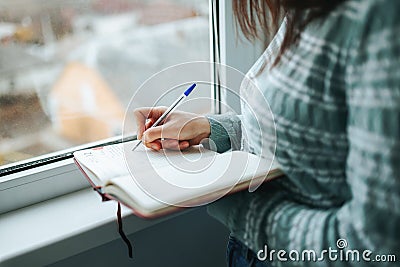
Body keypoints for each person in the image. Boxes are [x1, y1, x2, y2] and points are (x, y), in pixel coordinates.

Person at [134, 0, 399, 266]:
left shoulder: (381, 21)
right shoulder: (308, 10)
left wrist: (240, 207)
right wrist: (211, 129)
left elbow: (375, 247)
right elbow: (309, 128)